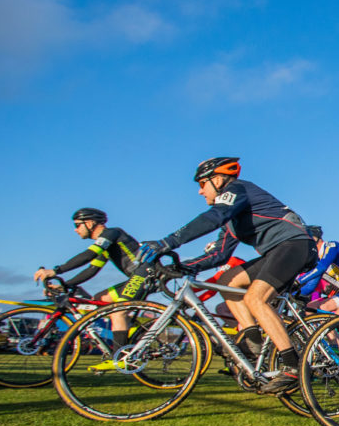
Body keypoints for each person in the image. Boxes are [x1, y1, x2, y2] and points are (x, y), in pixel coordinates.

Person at [135, 157, 317, 394]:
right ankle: (253, 340)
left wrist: (168, 242)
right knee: (226, 280)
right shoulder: (232, 217)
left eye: (202, 184)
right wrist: (183, 267)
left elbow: (213, 217)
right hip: (278, 250)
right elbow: (219, 254)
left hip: (294, 244)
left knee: (255, 298)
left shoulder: (236, 190)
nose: (200, 191)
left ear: (218, 179)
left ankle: (293, 367)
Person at [33, 208, 152, 361]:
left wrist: (56, 271)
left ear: (89, 223)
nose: (75, 230)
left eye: (77, 225)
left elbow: (89, 255)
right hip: (138, 277)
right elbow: (91, 269)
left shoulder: (112, 233)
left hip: (145, 274)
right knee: (99, 299)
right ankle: (133, 333)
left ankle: (120, 359)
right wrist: (65, 285)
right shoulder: (106, 246)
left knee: (118, 312)